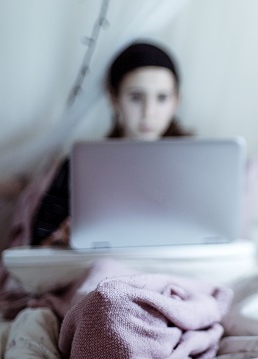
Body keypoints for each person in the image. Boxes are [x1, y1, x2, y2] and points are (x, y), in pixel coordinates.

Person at [30, 41, 191, 246]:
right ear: (114, 98)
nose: (148, 112)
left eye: (162, 97)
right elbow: (39, 240)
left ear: (176, 101)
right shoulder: (80, 165)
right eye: (136, 97)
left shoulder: (195, 167)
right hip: (108, 268)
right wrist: (62, 239)